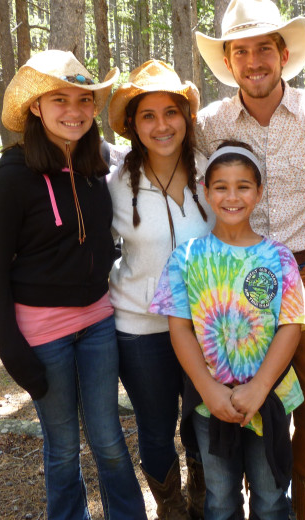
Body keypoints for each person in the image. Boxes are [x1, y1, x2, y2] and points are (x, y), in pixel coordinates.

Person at [0, 50, 147, 519]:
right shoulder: (11, 179)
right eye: (60, 100)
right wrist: (13, 352)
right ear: (36, 107)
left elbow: (152, 156)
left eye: (84, 100)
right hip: (41, 334)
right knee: (63, 448)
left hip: (97, 322)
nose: (74, 111)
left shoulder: (101, 166)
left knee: (110, 439)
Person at [194, 1, 305, 517]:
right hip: (232, 289)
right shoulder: (207, 124)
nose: (254, 60)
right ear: (229, 63)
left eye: (264, 48)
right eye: (241, 51)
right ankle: (224, 500)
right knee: (236, 402)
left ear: (283, 54)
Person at [149, 142, 305, 520]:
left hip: (269, 398)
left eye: (243, 186)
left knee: (271, 498)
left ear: (258, 193)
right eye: (221, 186)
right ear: (206, 191)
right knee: (220, 501)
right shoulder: (186, 258)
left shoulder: (279, 257)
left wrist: (258, 388)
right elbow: (180, 330)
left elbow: (291, 325)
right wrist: (209, 389)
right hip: (211, 403)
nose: (232, 196)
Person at [107, 60, 213, 519]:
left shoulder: (213, 175)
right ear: (132, 124)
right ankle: (170, 508)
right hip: (140, 327)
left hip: (205, 327)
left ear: (186, 117)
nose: (161, 125)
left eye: (171, 112)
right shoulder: (114, 184)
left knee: (202, 423)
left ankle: (205, 501)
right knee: (155, 426)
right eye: (147, 115)